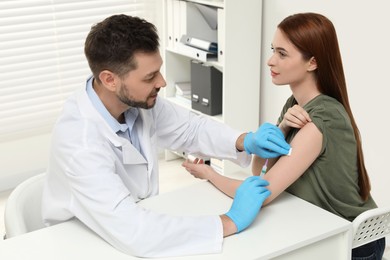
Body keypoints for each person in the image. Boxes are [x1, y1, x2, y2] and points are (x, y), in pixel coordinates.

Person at [41, 14, 291, 258]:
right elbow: (133, 230)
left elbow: (190, 129)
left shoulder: (137, 102)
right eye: (150, 77)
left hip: (134, 226)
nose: (162, 82)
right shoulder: (79, 142)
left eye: (158, 70)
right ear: (110, 80)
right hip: (81, 243)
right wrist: (228, 222)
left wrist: (244, 140)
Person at [182, 13, 385, 259]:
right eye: (272, 50)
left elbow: (261, 192)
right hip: (320, 228)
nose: (270, 61)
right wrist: (282, 129)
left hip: (354, 243)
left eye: (282, 53)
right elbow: (259, 171)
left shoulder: (322, 118)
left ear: (312, 62)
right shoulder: (295, 105)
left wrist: (210, 174)